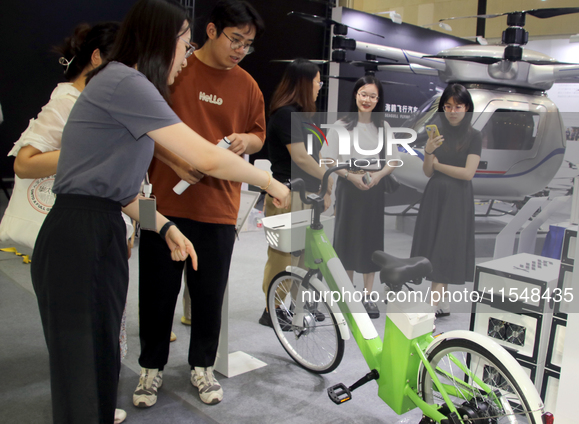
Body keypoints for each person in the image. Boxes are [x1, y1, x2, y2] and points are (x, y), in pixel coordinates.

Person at [30, 1, 290, 423]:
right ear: (161, 42)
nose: (185, 57)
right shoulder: (126, 83)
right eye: (184, 45)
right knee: (82, 369)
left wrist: (164, 225)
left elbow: (111, 186)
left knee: (98, 364)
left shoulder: (123, 83)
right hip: (82, 235)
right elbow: (205, 158)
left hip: (100, 226)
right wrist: (271, 182)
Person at [134, 0, 266, 408]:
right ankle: (150, 369)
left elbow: (258, 134)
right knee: (156, 293)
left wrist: (247, 142)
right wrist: (176, 162)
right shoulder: (176, 71)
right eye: (235, 39)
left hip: (219, 207)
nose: (240, 49)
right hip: (162, 206)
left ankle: (202, 367)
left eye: (248, 44)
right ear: (210, 31)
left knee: (209, 295)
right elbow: (144, 129)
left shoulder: (248, 85)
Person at [1, 22, 128, 424]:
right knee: (80, 339)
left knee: (103, 332)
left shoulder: (104, 102)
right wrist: (85, 149)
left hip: (106, 225)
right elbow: (24, 162)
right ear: (96, 58)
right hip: (72, 228)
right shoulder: (68, 100)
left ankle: (98, 403)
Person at [259, 58, 332, 327]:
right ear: (303, 83)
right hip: (287, 195)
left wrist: (326, 184)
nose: (319, 88)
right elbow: (300, 158)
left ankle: (297, 306)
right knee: (282, 255)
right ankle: (272, 309)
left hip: (306, 195)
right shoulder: (286, 114)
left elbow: (316, 154)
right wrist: (327, 177)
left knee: (301, 255)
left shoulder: (303, 116)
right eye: (317, 82)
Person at [322, 75, 397, 319]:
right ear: (355, 94)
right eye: (363, 94)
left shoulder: (383, 126)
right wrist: (349, 176)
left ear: (378, 100)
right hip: (349, 189)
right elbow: (327, 158)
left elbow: (393, 160)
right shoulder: (341, 124)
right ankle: (347, 294)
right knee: (347, 239)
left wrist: (378, 176)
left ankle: (368, 295)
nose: (367, 100)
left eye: (372, 96)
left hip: (374, 191)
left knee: (371, 242)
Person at [410, 83, 482, 317]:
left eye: (458, 106)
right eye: (448, 106)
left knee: (444, 249)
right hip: (435, 195)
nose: (452, 111)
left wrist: (439, 164)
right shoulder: (436, 132)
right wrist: (429, 152)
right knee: (438, 247)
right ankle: (443, 303)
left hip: (457, 199)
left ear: (467, 108)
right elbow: (428, 172)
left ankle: (430, 310)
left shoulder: (475, 136)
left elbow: (468, 173)